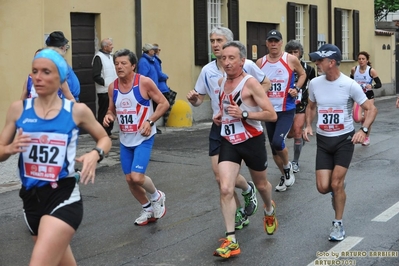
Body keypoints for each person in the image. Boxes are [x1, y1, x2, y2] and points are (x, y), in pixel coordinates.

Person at [0, 48, 111, 265]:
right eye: (34, 71)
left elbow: (104, 138)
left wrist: (95, 154)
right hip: (31, 198)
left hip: (63, 195)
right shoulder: (18, 110)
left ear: (60, 77)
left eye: (45, 72)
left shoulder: (76, 111)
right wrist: (9, 148)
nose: (37, 77)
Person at [187, 26, 270, 231]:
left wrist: (248, 105)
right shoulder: (207, 70)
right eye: (212, 41)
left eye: (219, 40)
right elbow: (200, 100)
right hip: (221, 127)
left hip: (248, 127)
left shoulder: (246, 64)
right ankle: (239, 212)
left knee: (259, 183)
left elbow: (265, 84)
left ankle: (261, 200)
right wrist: (195, 100)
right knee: (222, 181)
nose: (215, 44)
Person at [303, 44, 377, 241]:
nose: (316, 63)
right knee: (322, 187)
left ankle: (338, 225)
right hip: (323, 141)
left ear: (332, 62)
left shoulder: (350, 84)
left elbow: (371, 109)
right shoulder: (315, 84)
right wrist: (307, 125)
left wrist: (364, 130)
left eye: (320, 60)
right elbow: (310, 106)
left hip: (344, 140)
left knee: (336, 183)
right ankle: (337, 191)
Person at [212, 41, 278, 258]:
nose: (227, 62)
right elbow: (227, 110)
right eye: (224, 58)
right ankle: (231, 240)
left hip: (252, 140)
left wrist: (245, 114)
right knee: (225, 188)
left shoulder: (251, 84)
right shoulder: (221, 83)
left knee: (262, 185)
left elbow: (271, 114)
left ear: (242, 61)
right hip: (229, 140)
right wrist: (220, 116)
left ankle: (268, 209)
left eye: (232, 58)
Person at [103, 48, 169, 226]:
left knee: (137, 177)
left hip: (144, 137)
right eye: (116, 63)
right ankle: (147, 209)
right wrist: (109, 115)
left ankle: (157, 196)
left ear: (133, 65)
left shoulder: (144, 83)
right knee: (129, 180)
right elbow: (112, 109)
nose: (119, 66)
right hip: (126, 139)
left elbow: (164, 103)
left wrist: (150, 121)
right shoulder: (113, 87)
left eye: (123, 63)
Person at [256, 30, 306, 192]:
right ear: (267, 43)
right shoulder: (260, 62)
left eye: (276, 41)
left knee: (278, 142)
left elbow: (303, 74)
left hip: (286, 108)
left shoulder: (290, 59)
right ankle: (285, 175)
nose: (273, 44)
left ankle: (287, 166)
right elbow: (254, 82)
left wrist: (296, 88)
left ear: (281, 43)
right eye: (270, 41)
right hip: (269, 110)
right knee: (273, 147)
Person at [284, 40, 316, 173]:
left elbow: (314, 83)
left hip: (301, 103)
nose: (293, 54)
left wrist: (313, 100)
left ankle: (295, 162)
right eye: (290, 52)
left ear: (300, 53)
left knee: (297, 130)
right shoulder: (282, 67)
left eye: (295, 52)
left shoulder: (308, 69)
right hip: (285, 103)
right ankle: (299, 138)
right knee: (290, 133)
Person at [350, 51, 381, 146]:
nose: (361, 61)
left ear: (367, 60)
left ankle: (366, 137)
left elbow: (379, 84)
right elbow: (350, 82)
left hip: (368, 96)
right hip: (358, 96)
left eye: (363, 59)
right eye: (359, 59)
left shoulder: (371, 71)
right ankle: (366, 118)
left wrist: (372, 86)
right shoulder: (354, 69)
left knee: (367, 119)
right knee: (356, 118)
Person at [92, 38, 118, 139]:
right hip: (104, 91)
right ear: (105, 46)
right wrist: (106, 83)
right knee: (104, 111)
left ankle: (109, 132)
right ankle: (101, 133)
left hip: (112, 89)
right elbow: (96, 75)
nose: (112, 46)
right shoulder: (98, 57)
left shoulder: (111, 57)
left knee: (111, 110)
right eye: (111, 45)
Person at [46, 31, 81, 102]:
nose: (66, 48)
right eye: (65, 46)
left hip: (70, 99)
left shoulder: (59, 60)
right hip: (66, 100)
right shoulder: (54, 62)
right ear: (61, 48)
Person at [137, 43, 163, 134]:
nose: (154, 51)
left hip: (153, 88)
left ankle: (152, 125)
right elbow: (143, 76)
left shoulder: (151, 60)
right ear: (148, 51)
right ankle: (149, 125)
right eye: (152, 50)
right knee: (151, 109)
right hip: (148, 90)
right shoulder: (144, 61)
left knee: (154, 108)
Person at [153, 43, 175, 125]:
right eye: (159, 50)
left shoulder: (155, 60)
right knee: (162, 104)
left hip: (160, 85)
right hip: (160, 86)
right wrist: (165, 76)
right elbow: (158, 73)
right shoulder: (155, 60)